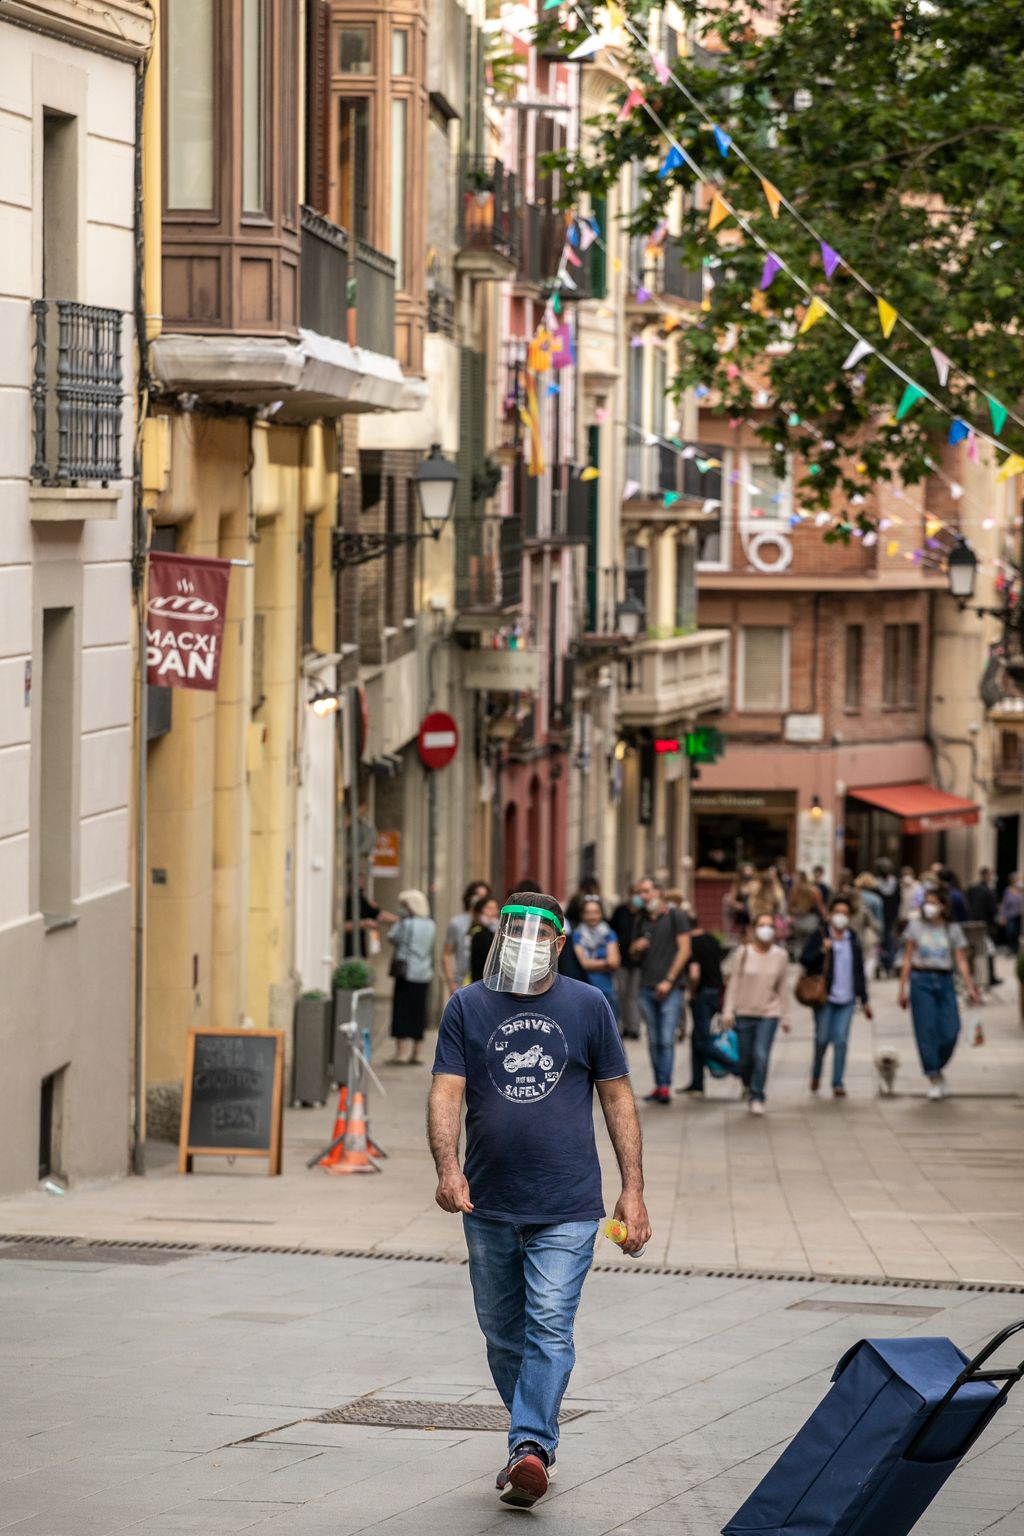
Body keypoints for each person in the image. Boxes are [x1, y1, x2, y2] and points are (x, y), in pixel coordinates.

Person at [428, 893, 651, 1509]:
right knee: (502, 1334)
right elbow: (447, 1092)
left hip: (567, 1203)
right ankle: (528, 1439)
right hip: (488, 1203)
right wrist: (448, 1169)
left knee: (549, 1324)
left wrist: (632, 1190)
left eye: (538, 937)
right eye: (513, 933)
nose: (526, 946)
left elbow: (617, 1097)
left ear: (559, 944)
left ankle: (530, 1446)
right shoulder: (468, 1006)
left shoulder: (588, 1005)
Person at [898, 888, 980, 1099]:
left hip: (944, 980)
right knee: (925, 1031)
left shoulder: (951, 928)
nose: (929, 906)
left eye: (933, 902)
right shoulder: (915, 927)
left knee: (951, 1029)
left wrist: (971, 986)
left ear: (943, 906)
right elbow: (907, 958)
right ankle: (933, 1076)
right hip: (921, 980)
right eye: (926, 902)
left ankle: (937, 1065)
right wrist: (902, 988)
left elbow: (960, 959)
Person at [800, 897, 872, 1098]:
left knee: (841, 1040)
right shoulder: (820, 935)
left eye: (845, 913)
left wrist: (864, 1000)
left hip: (847, 998)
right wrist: (822, 949)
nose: (841, 917)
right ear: (830, 914)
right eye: (837, 912)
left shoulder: (853, 938)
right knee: (822, 1039)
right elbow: (804, 959)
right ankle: (816, 1074)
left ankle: (837, 1082)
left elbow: (858, 971)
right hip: (825, 998)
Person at [630, 875, 691, 1104]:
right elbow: (632, 954)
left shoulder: (676, 916)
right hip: (646, 986)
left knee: (666, 1038)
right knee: (654, 1039)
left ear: (659, 892)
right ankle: (659, 1084)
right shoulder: (641, 920)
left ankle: (665, 1085)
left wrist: (669, 979)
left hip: (671, 987)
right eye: (640, 892)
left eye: (646, 891)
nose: (642, 897)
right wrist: (636, 948)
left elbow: (684, 950)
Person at [721, 914, 790, 1115]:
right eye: (762, 925)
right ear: (753, 928)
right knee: (744, 1059)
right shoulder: (743, 953)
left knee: (761, 1055)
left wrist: (786, 1016)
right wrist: (728, 1010)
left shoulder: (781, 955)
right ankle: (749, 1084)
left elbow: (783, 987)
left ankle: (758, 1095)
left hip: (769, 1012)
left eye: (770, 926)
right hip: (743, 1012)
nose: (766, 929)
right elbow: (733, 984)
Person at [677, 919, 740, 1096]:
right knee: (696, 1039)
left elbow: (695, 973)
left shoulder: (690, 944)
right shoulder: (711, 939)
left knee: (702, 1041)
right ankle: (697, 1083)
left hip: (702, 995)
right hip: (715, 992)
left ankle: (740, 1071)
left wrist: (692, 990)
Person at [386, 890, 436, 1065]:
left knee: (401, 1011)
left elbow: (391, 937)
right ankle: (417, 1051)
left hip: (406, 972)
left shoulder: (406, 924)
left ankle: (400, 1052)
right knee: (418, 1012)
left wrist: (397, 922)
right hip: (423, 972)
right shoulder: (431, 924)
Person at [572, 897, 620, 1018]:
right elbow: (585, 964)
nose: (592, 916)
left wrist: (594, 963)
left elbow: (614, 962)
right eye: (588, 912)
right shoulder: (577, 934)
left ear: (601, 913)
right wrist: (605, 963)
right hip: (585, 988)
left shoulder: (609, 933)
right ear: (582, 915)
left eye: (595, 912)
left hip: (607, 990)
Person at [443, 881, 491, 995]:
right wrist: (451, 982)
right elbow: (447, 953)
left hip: (483, 983)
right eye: (477, 896)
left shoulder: (492, 925)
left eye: (484, 897)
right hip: (461, 982)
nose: (480, 900)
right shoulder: (457, 923)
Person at [609, 886, 644, 1040]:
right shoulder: (620, 911)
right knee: (622, 994)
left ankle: (634, 1027)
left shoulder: (644, 914)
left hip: (639, 962)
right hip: (622, 960)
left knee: (634, 995)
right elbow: (612, 932)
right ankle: (624, 1026)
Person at [789, 870, 826, 953]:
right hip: (812, 919)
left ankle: (799, 957)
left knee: (798, 942)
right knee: (810, 941)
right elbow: (821, 907)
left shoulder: (794, 890)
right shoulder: (815, 890)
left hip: (798, 919)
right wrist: (825, 917)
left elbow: (791, 907)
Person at [875, 858, 901, 977]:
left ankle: (887, 964)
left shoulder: (879, 885)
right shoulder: (894, 884)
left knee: (886, 942)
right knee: (888, 942)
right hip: (888, 917)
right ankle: (886, 965)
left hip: (886, 917)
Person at [468, 893, 501, 984]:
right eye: (489, 908)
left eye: (496, 908)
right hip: (480, 982)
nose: (494, 912)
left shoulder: (493, 931)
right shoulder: (479, 933)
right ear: (480, 912)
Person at [998, 873, 1021, 953]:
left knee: (1017, 933)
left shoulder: (1021, 890)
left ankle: (1015, 949)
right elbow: (1004, 904)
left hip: (1019, 915)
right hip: (1010, 915)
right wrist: (1002, 916)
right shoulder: (1008, 890)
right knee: (1010, 932)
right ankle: (1011, 947)